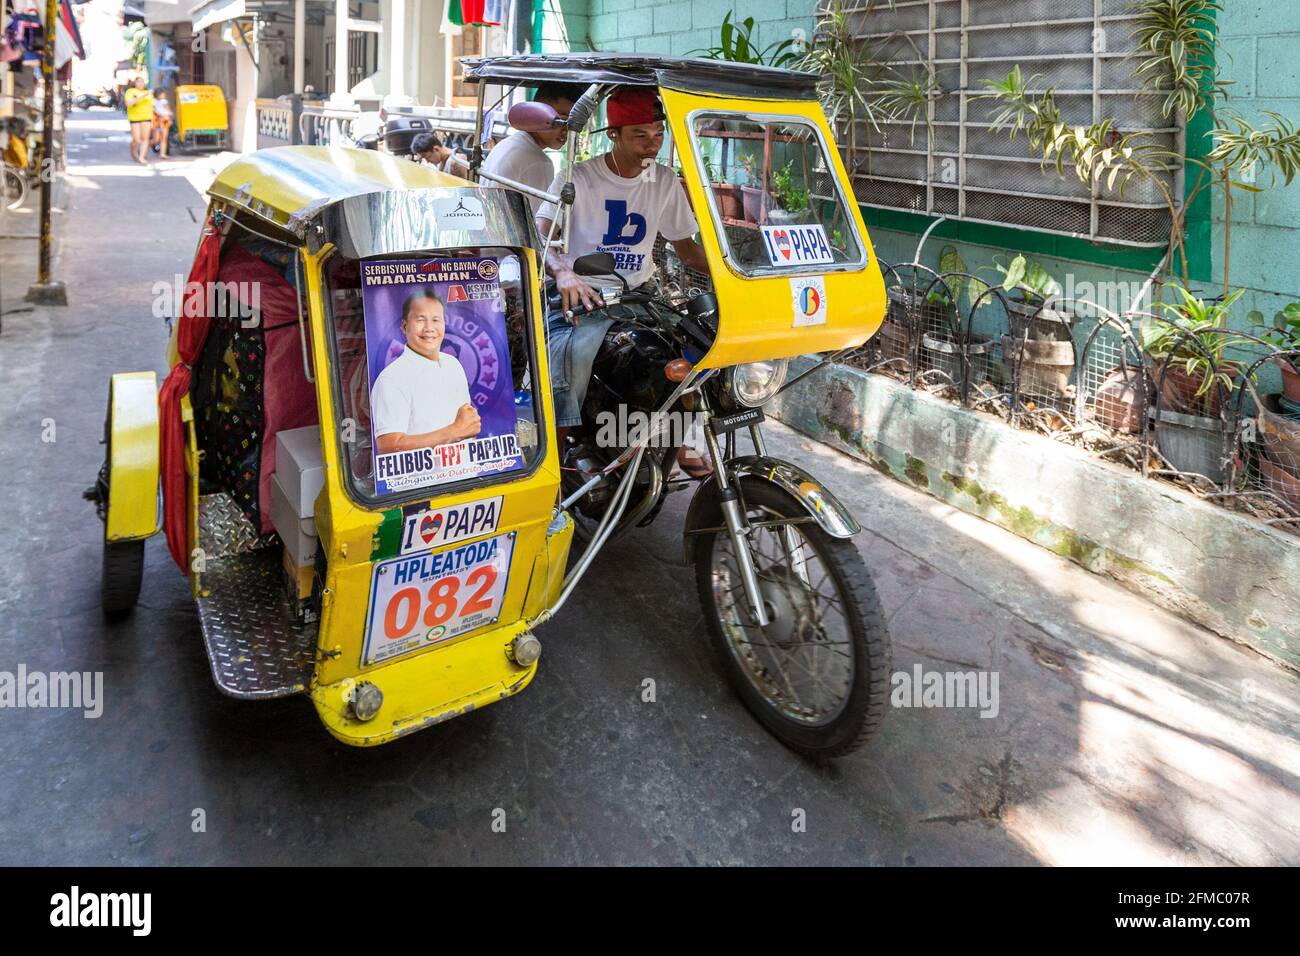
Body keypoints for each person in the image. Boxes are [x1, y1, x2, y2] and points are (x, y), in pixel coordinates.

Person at [535, 86, 713, 477]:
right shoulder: (576, 177)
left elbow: (687, 249)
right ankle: (558, 451)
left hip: (640, 295)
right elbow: (539, 234)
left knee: (693, 350)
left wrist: (734, 272)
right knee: (573, 358)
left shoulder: (664, 181)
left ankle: (686, 437)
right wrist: (563, 271)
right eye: (639, 136)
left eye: (657, 134)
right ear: (613, 135)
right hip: (582, 291)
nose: (651, 145)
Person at [371, 290, 481, 455]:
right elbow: (388, 446)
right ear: (404, 326)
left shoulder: (453, 364)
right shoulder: (391, 379)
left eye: (436, 320)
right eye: (420, 320)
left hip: (467, 475)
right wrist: (454, 432)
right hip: (425, 480)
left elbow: (467, 426)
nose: (429, 328)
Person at [480, 83, 584, 213]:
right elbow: (540, 225)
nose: (566, 130)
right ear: (539, 114)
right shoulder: (538, 162)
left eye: (571, 123)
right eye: (560, 121)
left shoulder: (505, 145)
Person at [122, 76, 154, 165]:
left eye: (142, 82)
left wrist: (153, 120)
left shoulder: (149, 93)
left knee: (145, 138)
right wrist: (142, 96)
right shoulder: (131, 92)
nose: (140, 83)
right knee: (136, 139)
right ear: (135, 83)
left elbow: (152, 107)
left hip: (146, 118)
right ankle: (133, 152)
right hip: (135, 118)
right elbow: (129, 103)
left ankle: (142, 157)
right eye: (138, 82)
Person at [150, 88, 172, 159]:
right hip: (157, 121)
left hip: (165, 120)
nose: (163, 95)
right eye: (162, 94)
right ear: (157, 94)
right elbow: (153, 110)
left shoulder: (165, 101)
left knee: (164, 137)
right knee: (156, 139)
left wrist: (169, 117)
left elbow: (168, 110)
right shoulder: (153, 101)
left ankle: (162, 154)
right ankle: (145, 147)